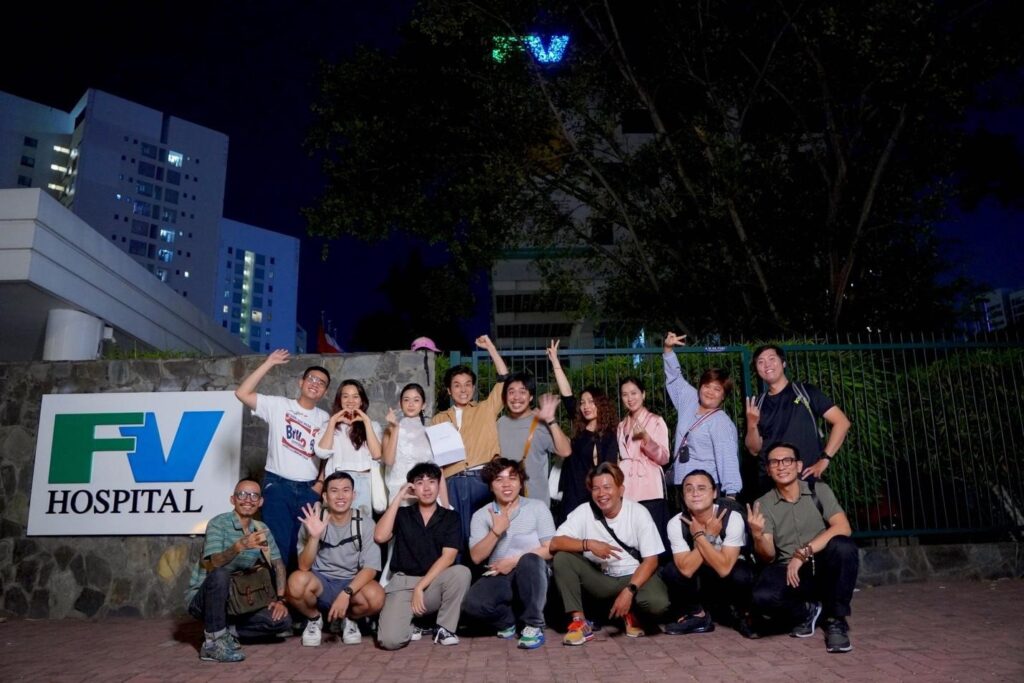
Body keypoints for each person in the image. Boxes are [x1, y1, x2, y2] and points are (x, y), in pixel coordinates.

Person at [748, 443, 859, 653]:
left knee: (843, 547)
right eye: (774, 462)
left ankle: (835, 619)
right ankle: (807, 611)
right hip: (790, 572)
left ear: (799, 466)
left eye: (787, 460)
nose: (781, 466)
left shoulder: (819, 490)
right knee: (762, 596)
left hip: (820, 566)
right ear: (769, 469)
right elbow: (768, 555)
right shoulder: (763, 504)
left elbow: (843, 527)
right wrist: (757, 535)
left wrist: (803, 552)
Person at [549, 462, 670, 645]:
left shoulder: (638, 513)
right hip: (602, 579)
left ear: (621, 489)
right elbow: (555, 543)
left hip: (633, 577)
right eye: (596, 488)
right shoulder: (584, 512)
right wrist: (588, 544)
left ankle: (632, 614)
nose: (601, 493)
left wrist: (629, 591)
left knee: (658, 602)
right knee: (562, 558)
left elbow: (651, 561)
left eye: (607, 487)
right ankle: (580, 623)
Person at [234, 350, 330, 571]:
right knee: (277, 545)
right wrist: (269, 363)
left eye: (322, 383)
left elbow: (327, 455)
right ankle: (279, 599)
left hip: (309, 489)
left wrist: (320, 485)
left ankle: (294, 598)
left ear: (324, 392)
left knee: (303, 546)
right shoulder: (278, 405)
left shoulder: (324, 418)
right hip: (277, 485)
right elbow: (242, 392)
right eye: (312, 379)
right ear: (301, 382)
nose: (315, 384)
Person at [185, 478, 291, 662]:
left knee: (282, 621)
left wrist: (280, 599)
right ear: (232, 499)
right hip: (206, 599)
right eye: (242, 494)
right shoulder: (218, 524)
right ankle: (212, 644)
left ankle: (225, 630)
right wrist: (239, 546)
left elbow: (278, 564)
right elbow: (215, 563)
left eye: (254, 495)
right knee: (220, 574)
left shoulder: (261, 529)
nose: (248, 499)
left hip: (240, 601)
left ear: (260, 502)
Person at [374, 463, 471, 649]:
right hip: (403, 585)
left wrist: (420, 586)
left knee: (461, 572)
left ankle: (444, 628)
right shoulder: (402, 514)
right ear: (413, 488)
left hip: (433, 585)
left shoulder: (451, 517)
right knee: (389, 641)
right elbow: (380, 536)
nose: (426, 488)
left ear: (438, 485)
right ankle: (416, 624)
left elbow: (448, 558)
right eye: (420, 483)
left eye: (432, 482)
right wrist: (398, 498)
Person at [463, 457, 555, 649]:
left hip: (533, 573)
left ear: (521, 482)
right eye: (499, 479)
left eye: (512, 478)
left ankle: (533, 625)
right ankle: (509, 622)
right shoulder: (481, 515)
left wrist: (514, 561)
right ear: (490, 486)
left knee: (530, 560)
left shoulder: (537, 507)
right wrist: (496, 531)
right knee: (472, 604)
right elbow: (476, 557)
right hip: (500, 575)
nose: (506, 484)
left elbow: (550, 549)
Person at [287, 472, 385, 647]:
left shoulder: (365, 523)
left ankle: (349, 619)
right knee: (295, 582)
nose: (340, 496)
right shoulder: (313, 519)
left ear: (353, 495)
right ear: (325, 496)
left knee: (376, 596)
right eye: (334, 491)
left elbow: (370, 568)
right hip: (321, 583)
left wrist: (346, 593)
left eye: (346, 490)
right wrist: (314, 537)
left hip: (350, 584)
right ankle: (315, 619)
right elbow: (303, 566)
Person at [431, 335, 509, 545]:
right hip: (452, 481)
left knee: (484, 532)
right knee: (456, 535)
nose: (463, 389)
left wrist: (490, 347)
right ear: (448, 390)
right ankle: (460, 576)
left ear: (473, 388)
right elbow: (435, 459)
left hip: (481, 478)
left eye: (467, 385)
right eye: (457, 385)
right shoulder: (438, 419)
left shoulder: (486, 408)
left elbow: (504, 379)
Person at [744, 344, 851, 493]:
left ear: (783, 363)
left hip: (806, 480)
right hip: (770, 485)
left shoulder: (806, 391)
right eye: (760, 362)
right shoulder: (757, 404)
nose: (766, 364)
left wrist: (825, 459)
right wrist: (752, 424)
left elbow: (842, 422)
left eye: (771, 359)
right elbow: (754, 450)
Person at [660, 470, 755, 637]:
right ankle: (698, 615)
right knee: (671, 570)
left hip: (727, 574)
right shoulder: (676, 523)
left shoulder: (731, 517)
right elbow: (686, 569)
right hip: (699, 577)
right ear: (683, 495)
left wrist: (700, 537)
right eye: (689, 489)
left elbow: (724, 568)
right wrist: (708, 536)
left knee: (742, 574)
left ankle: (741, 615)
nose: (695, 493)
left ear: (714, 493)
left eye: (701, 488)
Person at [662, 332, 742, 499]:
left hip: (706, 488)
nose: (710, 392)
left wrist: (731, 495)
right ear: (700, 387)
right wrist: (668, 350)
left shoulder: (721, 423)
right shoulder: (690, 400)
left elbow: (727, 459)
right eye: (707, 386)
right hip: (682, 484)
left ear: (723, 396)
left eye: (717, 389)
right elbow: (675, 379)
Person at [547, 340, 619, 521]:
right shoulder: (579, 427)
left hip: (594, 495)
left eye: (591, 402)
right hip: (571, 494)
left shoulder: (610, 435)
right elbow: (567, 394)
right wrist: (555, 362)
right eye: (583, 403)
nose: (586, 406)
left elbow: (610, 469)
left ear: (600, 404)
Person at [497, 371, 571, 506]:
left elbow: (565, 451)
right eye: (511, 392)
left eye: (523, 392)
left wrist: (550, 420)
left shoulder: (540, 422)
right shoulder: (500, 423)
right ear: (505, 396)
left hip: (536, 501)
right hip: (505, 501)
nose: (516, 397)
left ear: (531, 397)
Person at [315, 379, 383, 518]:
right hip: (337, 480)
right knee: (335, 525)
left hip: (364, 480)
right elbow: (321, 453)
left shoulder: (373, 425)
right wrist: (333, 422)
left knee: (361, 526)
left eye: (355, 396)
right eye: (345, 396)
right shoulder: (329, 425)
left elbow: (377, 454)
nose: (350, 401)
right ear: (339, 400)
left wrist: (366, 422)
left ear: (362, 400)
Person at [616, 376, 672, 543]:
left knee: (652, 533)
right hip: (627, 485)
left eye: (634, 393)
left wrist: (647, 440)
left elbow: (664, 457)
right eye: (625, 394)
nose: (630, 398)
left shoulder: (655, 421)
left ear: (643, 394)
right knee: (631, 534)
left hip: (649, 484)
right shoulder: (621, 425)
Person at [381, 382, 448, 506]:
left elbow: (439, 472)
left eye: (416, 400)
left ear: (423, 405)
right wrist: (395, 428)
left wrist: (446, 506)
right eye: (406, 400)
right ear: (400, 404)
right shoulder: (390, 430)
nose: (411, 404)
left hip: (427, 494)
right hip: (402, 495)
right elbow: (389, 461)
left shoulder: (431, 433)